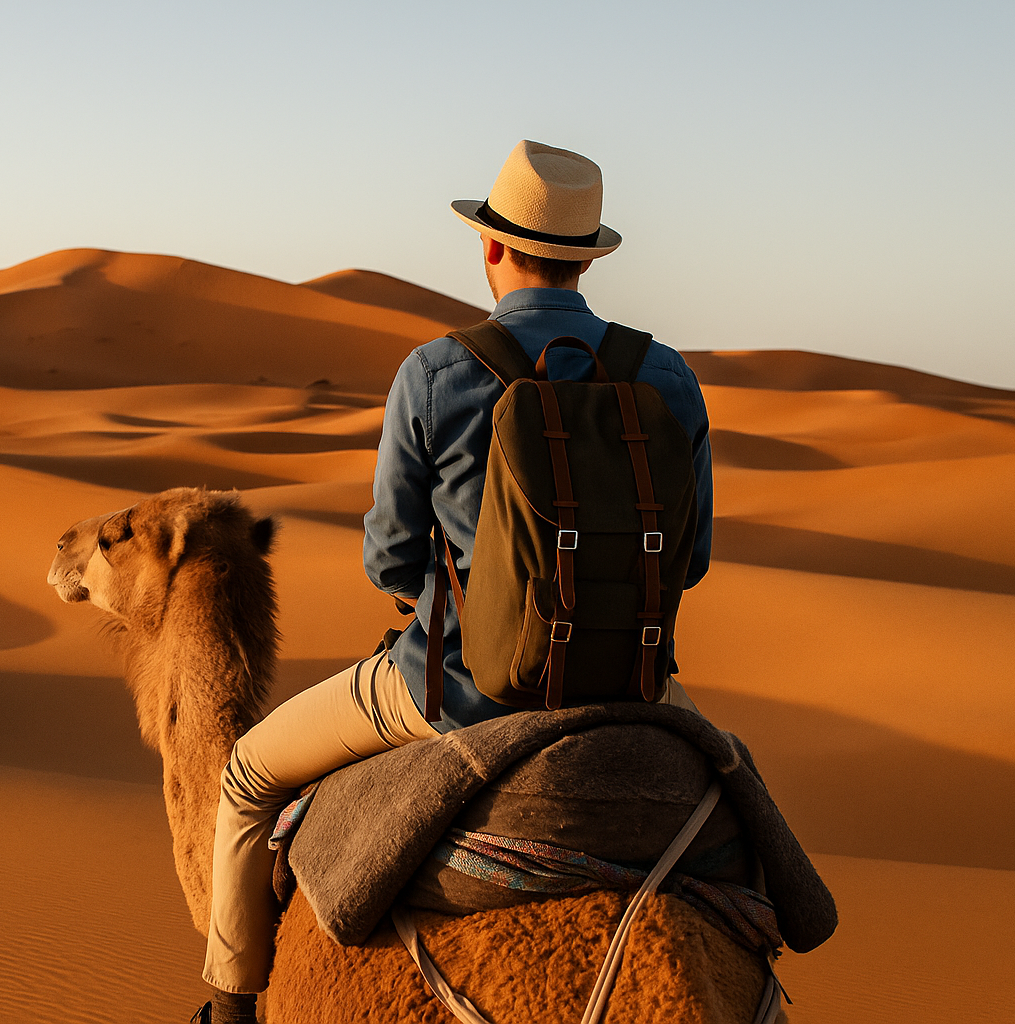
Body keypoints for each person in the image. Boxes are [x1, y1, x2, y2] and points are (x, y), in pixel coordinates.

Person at [192, 140, 713, 1023]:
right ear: (588, 259)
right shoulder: (667, 377)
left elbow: (391, 560)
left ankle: (231, 1009)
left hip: (455, 693)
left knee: (246, 776)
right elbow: (688, 561)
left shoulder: (436, 373)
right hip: (633, 688)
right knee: (728, 784)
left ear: (491, 245)